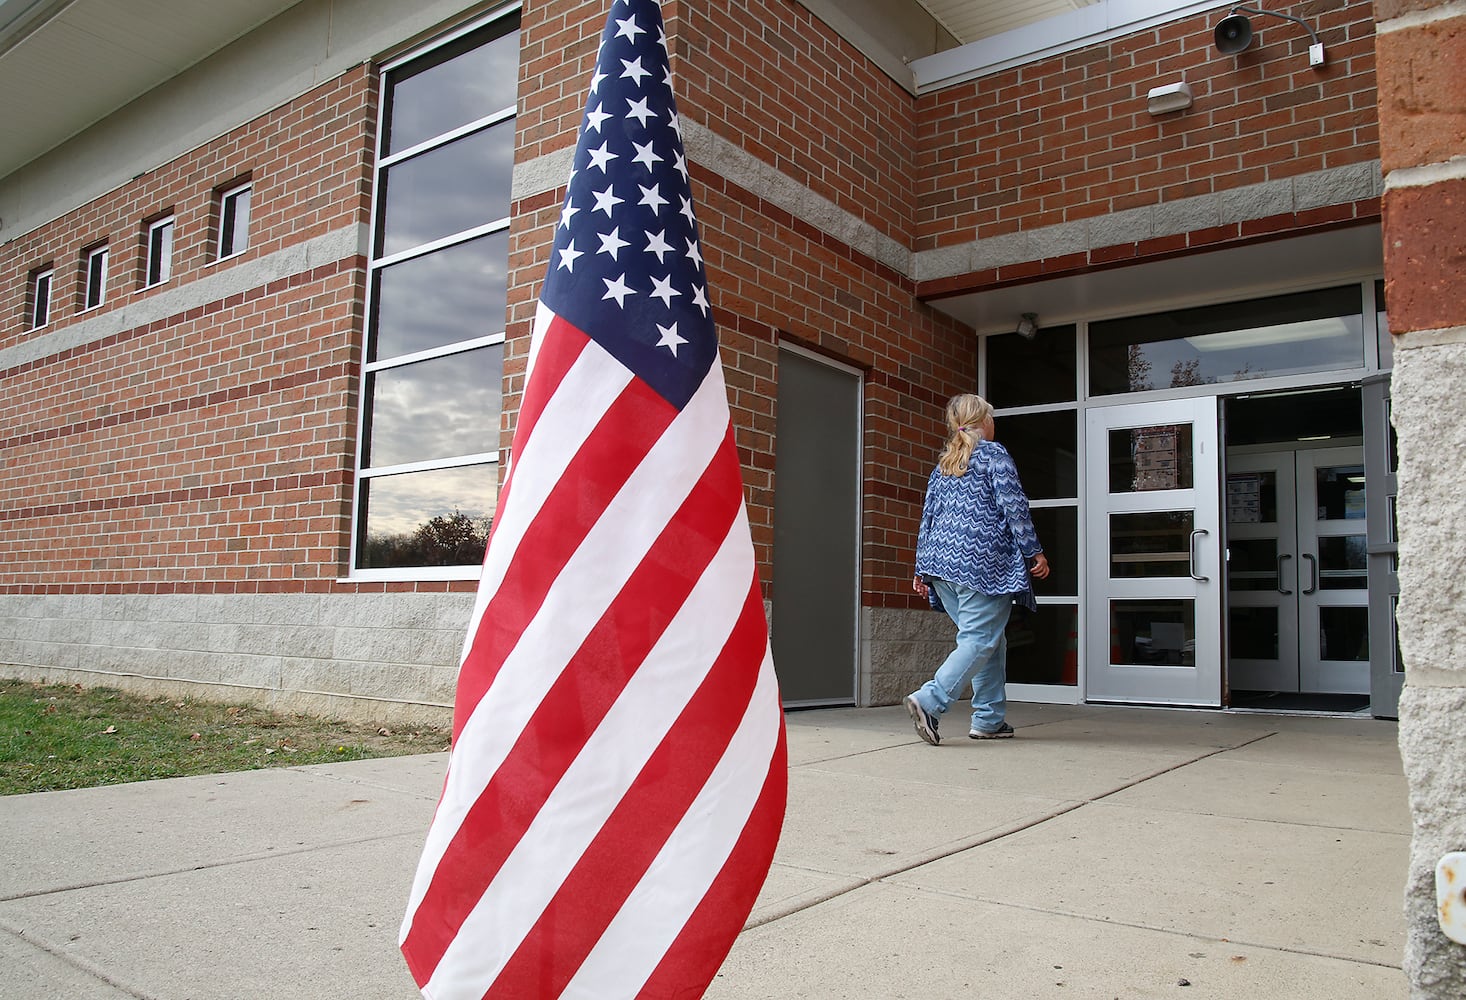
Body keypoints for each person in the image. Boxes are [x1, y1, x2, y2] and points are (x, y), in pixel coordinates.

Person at [905, 393, 1049, 745]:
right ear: (984, 420)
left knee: (990, 641)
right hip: (981, 566)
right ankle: (930, 700)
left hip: (941, 567)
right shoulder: (992, 454)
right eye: (992, 417)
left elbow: (929, 519)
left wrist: (921, 569)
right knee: (980, 638)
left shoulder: (945, 463)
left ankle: (988, 719)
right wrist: (1034, 552)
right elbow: (1013, 507)